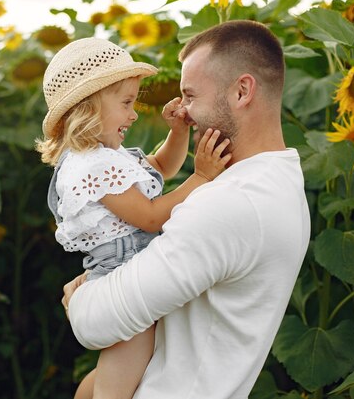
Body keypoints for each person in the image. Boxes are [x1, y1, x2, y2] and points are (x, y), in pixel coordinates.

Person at [61, 20, 311, 399]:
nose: (183, 112)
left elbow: (96, 323)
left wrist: (76, 298)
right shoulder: (279, 182)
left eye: (190, 96)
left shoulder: (231, 203)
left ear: (242, 91)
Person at [36, 37, 231, 399]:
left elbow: (160, 168)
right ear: (88, 107)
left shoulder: (108, 155)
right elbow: (151, 217)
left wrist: (178, 131)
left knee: (128, 370)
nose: (134, 113)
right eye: (126, 102)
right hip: (122, 274)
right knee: (121, 381)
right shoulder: (90, 165)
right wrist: (201, 178)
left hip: (131, 266)